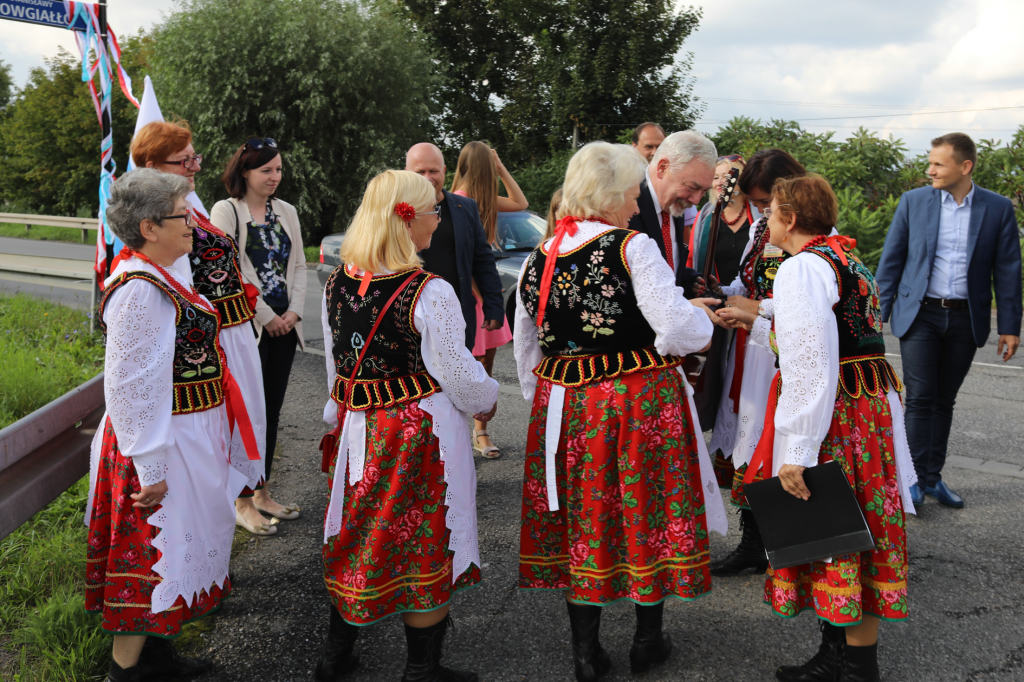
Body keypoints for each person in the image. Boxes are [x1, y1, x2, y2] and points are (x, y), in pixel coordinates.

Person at [513, 141, 728, 682]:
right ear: (610, 196)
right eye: (632, 194)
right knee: (646, 509)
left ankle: (586, 655)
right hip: (635, 399)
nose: (636, 206)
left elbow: (526, 348)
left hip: (566, 404)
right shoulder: (632, 247)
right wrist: (703, 324)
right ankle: (646, 641)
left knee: (583, 518)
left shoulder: (539, 256)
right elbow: (677, 329)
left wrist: (544, 401)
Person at [314, 170, 498, 682]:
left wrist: (341, 416)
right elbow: (459, 376)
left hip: (359, 430)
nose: (440, 220)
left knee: (359, 535)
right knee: (423, 539)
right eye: (435, 210)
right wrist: (488, 399)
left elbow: (337, 371)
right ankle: (422, 669)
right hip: (416, 436)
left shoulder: (338, 284)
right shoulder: (428, 291)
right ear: (410, 219)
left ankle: (335, 656)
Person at [743, 174, 916, 682]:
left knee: (832, 527)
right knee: (858, 529)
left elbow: (809, 363)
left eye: (771, 212)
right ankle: (849, 659)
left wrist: (796, 447)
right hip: (866, 413)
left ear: (791, 219)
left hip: (836, 416)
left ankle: (849, 664)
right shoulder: (847, 261)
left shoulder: (800, 269)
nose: (766, 220)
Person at [86, 169, 254, 682]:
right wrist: (150, 468)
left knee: (174, 555)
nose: (194, 225)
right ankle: (125, 673)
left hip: (184, 433)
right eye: (184, 216)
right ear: (149, 226)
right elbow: (131, 387)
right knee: (151, 557)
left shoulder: (164, 275)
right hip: (158, 444)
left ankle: (158, 656)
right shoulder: (139, 289)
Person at [131, 122, 269, 534]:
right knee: (226, 427)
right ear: (154, 165)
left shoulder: (190, 204)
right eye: (184, 159)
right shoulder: (160, 216)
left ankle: (242, 501)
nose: (194, 166)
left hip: (233, 328)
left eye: (196, 157)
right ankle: (234, 508)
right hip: (213, 336)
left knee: (251, 420)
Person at [875, 132, 1022, 509]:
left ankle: (931, 479)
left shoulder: (998, 207)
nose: (930, 170)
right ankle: (910, 482)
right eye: (931, 162)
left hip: (965, 318)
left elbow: (1007, 270)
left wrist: (1010, 327)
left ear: (965, 166)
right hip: (920, 313)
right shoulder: (914, 202)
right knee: (921, 398)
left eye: (938, 164)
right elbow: (892, 260)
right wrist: (876, 313)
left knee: (944, 400)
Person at [710, 149, 808, 577]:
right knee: (747, 444)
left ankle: (783, 543)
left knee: (776, 442)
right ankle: (754, 542)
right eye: (757, 203)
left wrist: (756, 309)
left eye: (767, 201)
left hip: (779, 354)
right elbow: (747, 281)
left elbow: (804, 303)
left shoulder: (814, 233)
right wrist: (720, 289)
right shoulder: (762, 229)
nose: (762, 211)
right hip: (752, 352)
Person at [212, 138, 307, 525]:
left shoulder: (286, 211)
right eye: (266, 169)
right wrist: (267, 315)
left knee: (270, 411)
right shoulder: (226, 211)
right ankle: (242, 502)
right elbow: (230, 270)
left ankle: (263, 493)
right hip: (248, 328)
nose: (275, 176)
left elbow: (300, 265)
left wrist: (295, 313)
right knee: (245, 414)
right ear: (245, 171)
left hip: (284, 327)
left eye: (279, 169)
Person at [450, 140, 529, 459]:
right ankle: (459, 431)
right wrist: (484, 294)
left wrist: (500, 168)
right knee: (461, 365)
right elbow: (459, 257)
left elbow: (520, 202)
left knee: (486, 365)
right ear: (483, 168)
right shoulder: (456, 200)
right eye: (492, 167)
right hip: (465, 293)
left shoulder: (485, 200)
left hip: (485, 290)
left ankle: (480, 431)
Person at [405, 142, 505, 351]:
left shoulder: (465, 207)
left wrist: (494, 305)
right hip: (410, 318)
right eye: (419, 171)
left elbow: (482, 259)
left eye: (433, 171)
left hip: (458, 316)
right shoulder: (396, 211)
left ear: (444, 171)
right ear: (406, 173)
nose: (427, 178)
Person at [628, 130, 715, 298]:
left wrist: (689, 279)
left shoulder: (674, 201)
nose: (696, 200)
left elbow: (666, 263)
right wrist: (682, 309)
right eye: (691, 187)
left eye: (704, 191)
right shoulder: (625, 203)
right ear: (663, 168)